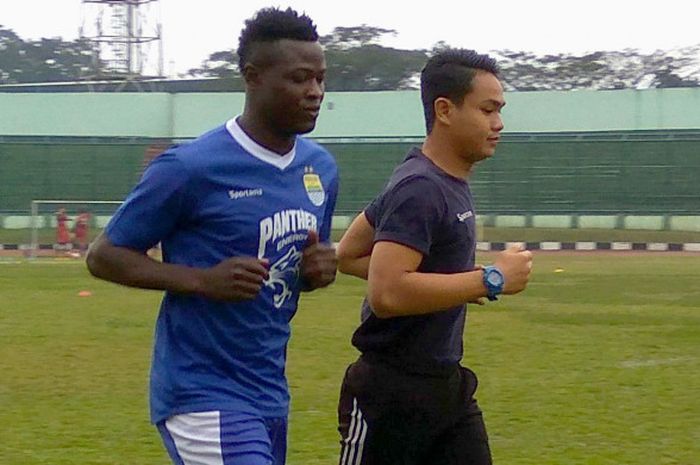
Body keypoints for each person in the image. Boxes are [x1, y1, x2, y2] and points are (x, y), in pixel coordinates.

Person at [86, 7, 337, 465]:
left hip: (268, 390)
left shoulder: (320, 169)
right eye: (300, 79)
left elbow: (295, 264)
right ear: (253, 77)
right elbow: (104, 256)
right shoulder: (190, 167)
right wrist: (202, 280)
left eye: (321, 79)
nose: (315, 92)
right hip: (200, 390)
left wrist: (316, 271)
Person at [335, 49, 533, 465]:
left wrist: (451, 284)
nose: (498, 124)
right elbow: (387, 293)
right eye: (487, 109)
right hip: (390, 396)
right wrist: (490, 280)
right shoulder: (420, 188)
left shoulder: (439, 179)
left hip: (446, 389)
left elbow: (350, 253)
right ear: (444, 110)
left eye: (499, 110)